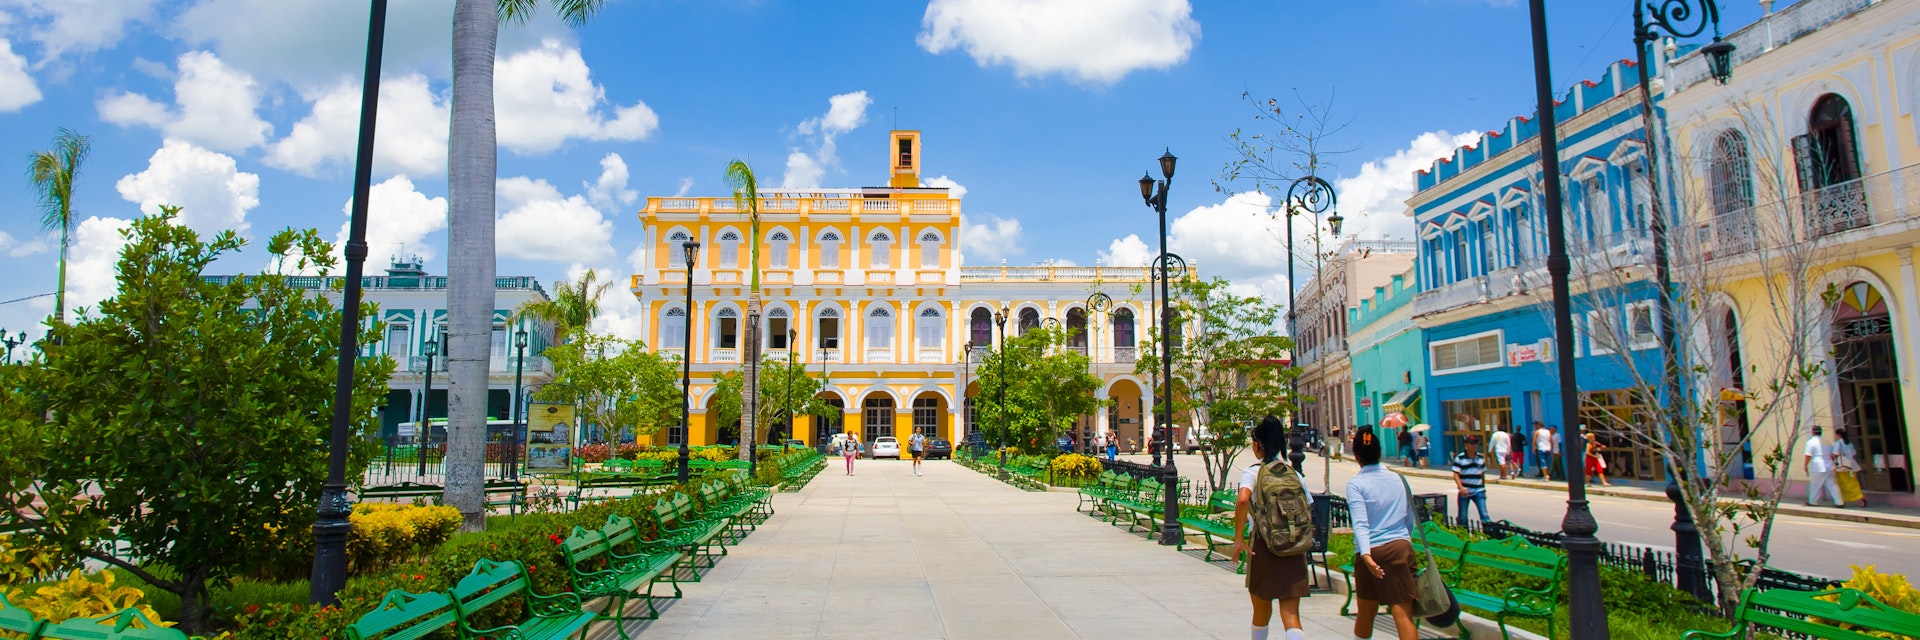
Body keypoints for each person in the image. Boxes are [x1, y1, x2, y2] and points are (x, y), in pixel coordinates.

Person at [1231, 416, 1313, 640]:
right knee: (1291, 614)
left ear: (1258, 444)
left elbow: (1242, 500)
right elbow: (1309, 506)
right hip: (1293, 546)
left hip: (1263, 545)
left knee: (1261, 612)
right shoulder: (1293, 474)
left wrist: (1239, 539)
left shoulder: (1254, 472)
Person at [1346, 426, 1419, 640]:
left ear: (1357, 456)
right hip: (1398, 548)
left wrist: (1367, 555)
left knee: (1366, 612)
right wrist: (1404, 541)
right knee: (1402, 613)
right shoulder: (1399, 479)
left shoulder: (1356, 484)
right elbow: (1409, 518)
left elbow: (1360, 523)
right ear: (1379, 452)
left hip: (1370, 553)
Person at [1451, 435, 1491, 526]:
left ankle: (1489, 534)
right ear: (1466, 445)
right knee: (1462, 516)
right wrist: (1461, 488)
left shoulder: (1480, 458)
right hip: (1465, 490)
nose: (1474, 446)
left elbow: (1482, 474)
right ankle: (1463, 535)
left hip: (1478, 490)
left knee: (1484, 514)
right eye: (1472, 443)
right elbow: (1456, 474)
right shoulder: (1460, 458)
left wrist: (1483, 488)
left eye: (1476, 443)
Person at [1804, 426, 1843, 507]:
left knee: (1815, 485)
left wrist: (1805, 465)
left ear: (1813, 432)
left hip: (1817, 466)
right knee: (1833, 485)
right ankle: (1839, 502)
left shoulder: (1810, 442)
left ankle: (1813, 501)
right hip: (1829, 465)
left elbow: (1808, 455)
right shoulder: (1827, 442)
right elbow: (1832, 455)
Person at [1833, 427, 1867, 507]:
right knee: (1853, 483)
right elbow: (1853, 453)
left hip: (1842, 466)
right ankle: (1861, 497)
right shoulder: (1849, 443)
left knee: (1843, 484)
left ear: (1838, 435)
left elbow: (1835, 453)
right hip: (1852, 465)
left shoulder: (1838, 443)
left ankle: (1843, 500)